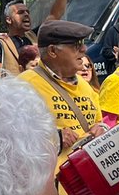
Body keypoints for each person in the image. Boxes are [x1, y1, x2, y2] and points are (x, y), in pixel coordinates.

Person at [18, 20, 106, 151]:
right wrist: (56, 137)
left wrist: (102, 130)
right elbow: (12, 136)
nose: (84, 49)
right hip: (51, 170)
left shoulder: (84, 85)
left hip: (86, 168)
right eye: (76, 45)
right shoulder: (23, 85)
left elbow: (99, 122)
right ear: (52, 51)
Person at [0, 1, 34, 76]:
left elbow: (52, 17)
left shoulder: (34, 37)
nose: (26, 14)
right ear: (9, 20)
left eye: (27, 12)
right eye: (20, 12)